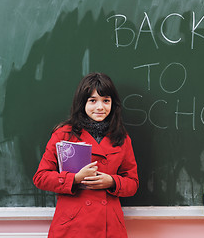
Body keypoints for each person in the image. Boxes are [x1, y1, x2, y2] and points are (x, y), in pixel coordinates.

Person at [33, 72, 139, 238]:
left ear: (113, 104)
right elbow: (41, 177)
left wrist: (111, 181)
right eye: (92, 100)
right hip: (72, 225)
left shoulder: (122, 138)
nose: (100, 107)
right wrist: (74, 179)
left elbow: (132, 183)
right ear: (82, 103)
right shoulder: (64, 134)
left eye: (106, 101)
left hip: (109, 226)